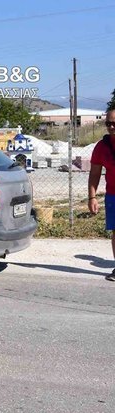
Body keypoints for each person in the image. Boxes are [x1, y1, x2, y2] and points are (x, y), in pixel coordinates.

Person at [88, 107, 115, 282]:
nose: (111, 127)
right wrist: (92, 196)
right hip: (113, 195)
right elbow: (95, 173)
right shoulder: (101, 146)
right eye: (108, 123)